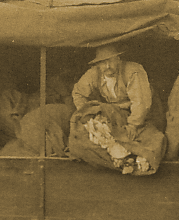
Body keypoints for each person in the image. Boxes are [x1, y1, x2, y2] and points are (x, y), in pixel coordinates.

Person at [68, 46, 165, 175]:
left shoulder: (133, 71)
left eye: (111, 61)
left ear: (118, 59)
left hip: (145, 114)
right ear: (97, 64)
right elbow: (78, 93)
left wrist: (133, 125)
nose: (107, 66)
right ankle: (119, 159)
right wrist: (87, 113)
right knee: (93, 133)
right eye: (103, 62)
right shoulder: (94, 74)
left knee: (149, 138)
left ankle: (138, 160)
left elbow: (140, 102)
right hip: (118, 113)